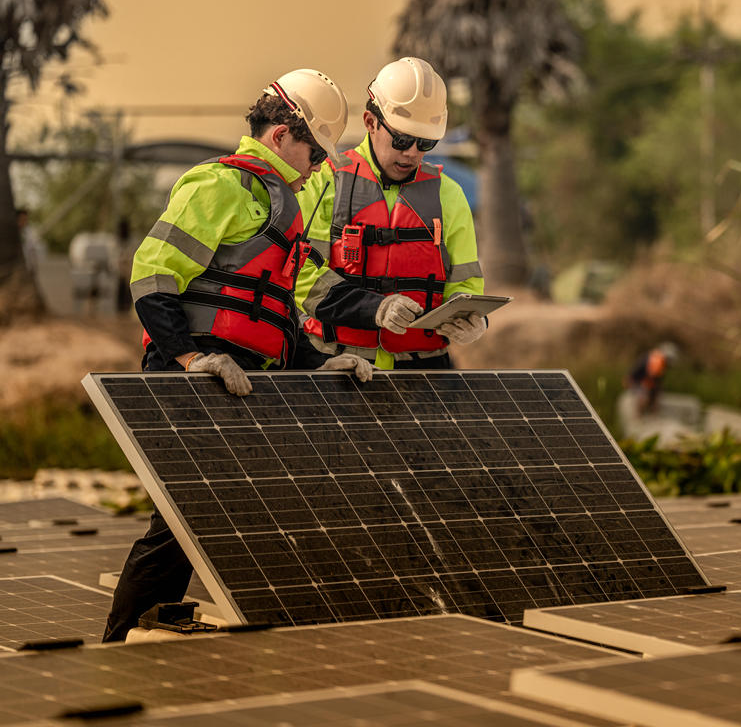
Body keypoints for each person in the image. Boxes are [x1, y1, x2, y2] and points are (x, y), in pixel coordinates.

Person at [104, 69, 373, 643]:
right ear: (280, 136)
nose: (319, 168)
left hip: (238, 381)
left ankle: (151, 646)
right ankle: (117, 651)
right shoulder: (218, 187)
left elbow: (272, 314)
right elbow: (151, 275)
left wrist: (320, 360)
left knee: (212, 526)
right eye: (314, 152)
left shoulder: (282, 205)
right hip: (193, 378)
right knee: (177, 526)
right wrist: (188, 361)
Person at [294, 57, 485, 371]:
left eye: (425, 142)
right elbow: (300, 277)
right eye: (401, 139)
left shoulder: (448, 194)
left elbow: (465, 285)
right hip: (339, 364)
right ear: (370, 122)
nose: (411, 152)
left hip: (424, 372)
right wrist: (375, 308)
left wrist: (473, 321)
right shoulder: (324, 181)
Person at [625, 342, 679, 416]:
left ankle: (650, 413)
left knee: (655, 393)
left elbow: (657, 379)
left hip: (644, 381)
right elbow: (651, 377)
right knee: (644, 396)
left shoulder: (657, 359)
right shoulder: (656, 361)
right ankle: (639, 416)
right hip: (637, 382)